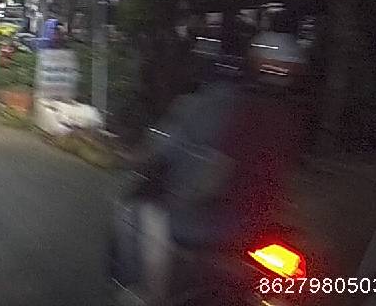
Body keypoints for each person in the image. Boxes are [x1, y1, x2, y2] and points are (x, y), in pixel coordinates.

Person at [110, 29, 306, 304]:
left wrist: (139, 159)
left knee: (140, 217)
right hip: (257, 223)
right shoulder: (288, 114)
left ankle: (148, 296)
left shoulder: (220, 100)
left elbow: (167, 147)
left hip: (208, 220)